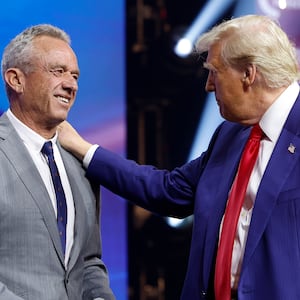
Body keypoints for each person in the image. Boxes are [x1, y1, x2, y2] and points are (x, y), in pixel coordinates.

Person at [59, 14, 300, 300]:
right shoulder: (230, 135)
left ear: (248, 73)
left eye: (215, 71)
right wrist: (83, 149)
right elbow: (168, 191)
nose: (208, 86)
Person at [0, 24, 115, 300]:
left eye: (74, 75)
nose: (70, 84)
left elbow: (88, 261)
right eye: (58, 71)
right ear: (16, 79)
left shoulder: (79, 162)